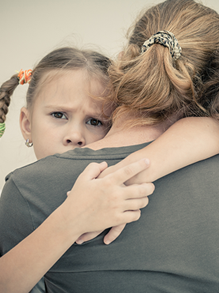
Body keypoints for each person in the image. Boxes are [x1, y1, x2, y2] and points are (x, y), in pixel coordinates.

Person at [1, 6, 219, 290]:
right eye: (58, 115)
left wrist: (133, 171)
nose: (75, 135)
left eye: (94, 120)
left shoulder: (26, 190)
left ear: (122, 67)